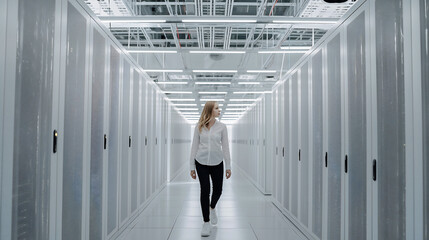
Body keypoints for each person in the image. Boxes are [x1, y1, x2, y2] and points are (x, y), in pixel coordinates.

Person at [189, 101, 232, 237]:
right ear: (210, 110)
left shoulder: (222, 127)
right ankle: (206, 223)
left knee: (218, 190)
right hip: (201, 162)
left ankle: (212, 207)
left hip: (217, 162)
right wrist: (191, 167)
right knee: (205, 190)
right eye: (217, 108)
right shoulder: (199, 127)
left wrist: (228, 166)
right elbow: (194, 147)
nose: (219, 110)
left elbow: (225, 147)